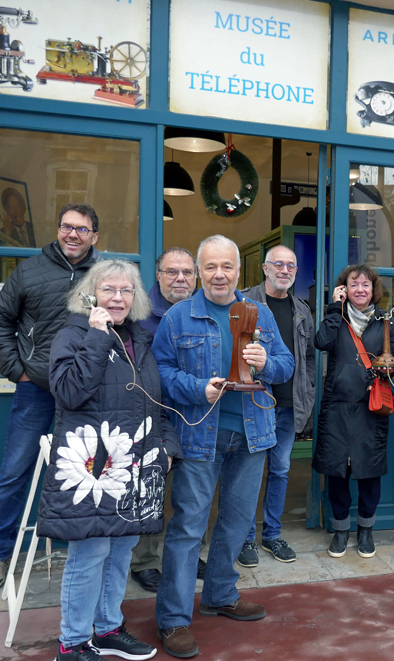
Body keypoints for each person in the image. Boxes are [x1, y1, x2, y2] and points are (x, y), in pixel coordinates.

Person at [153, 235, 294, 660]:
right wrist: (198, 388)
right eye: (211, 267)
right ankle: (174, 618)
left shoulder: (259, 313)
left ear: (238, 270)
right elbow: (160, 372)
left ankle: (220, 595)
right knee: (188, 528)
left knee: (236, 522)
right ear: (200, 272)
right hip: (200, 436)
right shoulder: (178, 316)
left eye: (227, 266)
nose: (219, 275)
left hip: (253, 435)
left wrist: (266, 363)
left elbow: (286, 366)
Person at [38, 259, 180, 661]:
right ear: (90, 296)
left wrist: (166, 447)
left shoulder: (140, 339)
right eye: (108, 290)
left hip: (134, 466)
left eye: (126, 291)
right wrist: (97, 336)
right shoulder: (73, 334)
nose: (118, 298)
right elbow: (69, 393)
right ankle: (72, 643)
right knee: (90, 554)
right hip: (94, 470)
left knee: (121, 551)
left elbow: (155, 401)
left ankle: (107, 629)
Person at [0, 203, 102, 592]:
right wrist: (15, 370)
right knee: (14, 472)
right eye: (67, 227)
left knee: (92, 472)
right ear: (58, 229)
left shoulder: (104, 274)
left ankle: (87, 553)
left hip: (85, 391)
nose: (73, 234)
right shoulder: (30, 270)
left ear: (94, 236)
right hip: (36, 389)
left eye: (82, 229)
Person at [238, 245, 315, 566]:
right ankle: (244, 539)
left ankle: (271, 535)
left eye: (291, 266)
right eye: (278, 264)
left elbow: (308, 358)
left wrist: (308, 393)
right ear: (265, 268)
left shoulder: (302, 310)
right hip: (254, 403)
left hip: (288, 404)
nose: (285, 270)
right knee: (248, 473)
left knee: (280, 471)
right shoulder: (244, 302)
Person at [129, 247, 201, 593]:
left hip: (197, 415)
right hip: (153, 415)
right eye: (172, 272)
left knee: (195, 494)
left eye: (187, 272)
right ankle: (144, 561)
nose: (180, 279)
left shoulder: (204, 310)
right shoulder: (139, 315)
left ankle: (189, 556)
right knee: (152, 490)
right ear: (158, 276)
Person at [314, 264, 394, 559]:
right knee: (337, 472)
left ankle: (365, 531)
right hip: (336, 407)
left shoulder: (386, 322)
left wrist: (387, 370)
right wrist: (334, 309)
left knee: (368, 473)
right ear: (344, 290)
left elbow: (393, 360)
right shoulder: (336, 318)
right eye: (353, 284)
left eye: (365, 284)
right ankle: (340, 531)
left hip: (370, 408)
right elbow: (321, 342)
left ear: (374, 289)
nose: (360, 289)